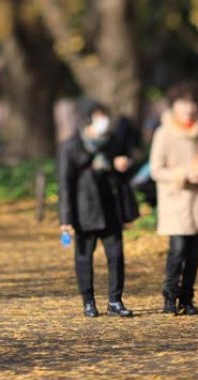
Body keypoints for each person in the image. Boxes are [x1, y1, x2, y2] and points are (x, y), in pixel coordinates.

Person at [58, 101, 139, 318]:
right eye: (97, 116)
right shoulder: (71, 147)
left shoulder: (112, 142)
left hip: (110, 207)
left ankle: (115, 300)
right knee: (84, 257)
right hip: (84, 211)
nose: (103, 121)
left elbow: (125, 173)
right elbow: (65, 185)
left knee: (116, 256)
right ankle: (88, 301)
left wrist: (121, 165)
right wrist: (65, 219)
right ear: (86, 120)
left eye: (104, 116)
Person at [149, 82, 198, 316]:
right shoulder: (164, 133)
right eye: (183, 103)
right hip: (175, 200)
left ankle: (187, 298)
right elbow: (156, 170)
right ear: (174, 106)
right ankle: (170, 295)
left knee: (193, 253)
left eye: (192, 104)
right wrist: (183, 175)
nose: (189, 108)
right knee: (177, 250)